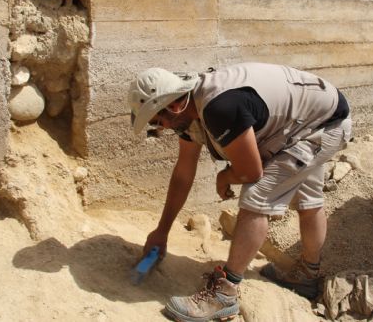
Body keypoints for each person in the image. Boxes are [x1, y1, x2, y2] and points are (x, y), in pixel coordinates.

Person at [129, 62, 352, 321]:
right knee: (307, 198)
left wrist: (225, 176)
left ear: (174, 105)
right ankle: (307, 276)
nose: (161, 128)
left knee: (257, 195)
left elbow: (251, 172)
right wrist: (162, 231)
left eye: (158, 120)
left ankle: (223, 295)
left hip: (324, 125)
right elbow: (183, 171)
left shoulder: (219, 108)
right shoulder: (189, 109)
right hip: (312, 117)